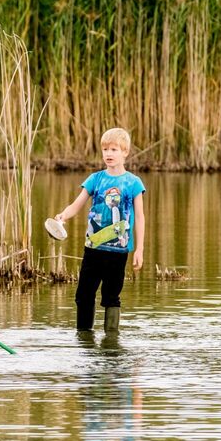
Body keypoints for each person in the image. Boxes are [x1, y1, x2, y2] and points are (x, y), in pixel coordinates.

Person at [53, 127, 146, 332]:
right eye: (105, 149)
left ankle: (111, 343)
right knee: (84, 295)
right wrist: (63, 215)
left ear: (125, 152)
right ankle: (84, 337)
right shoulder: (95, 179)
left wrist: (139, 250)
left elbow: (139, 217)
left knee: (111, 297)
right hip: (93, 248)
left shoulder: (133, 183)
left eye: (114, 149)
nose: (108, 154)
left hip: (118, 251)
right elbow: (77, 204)